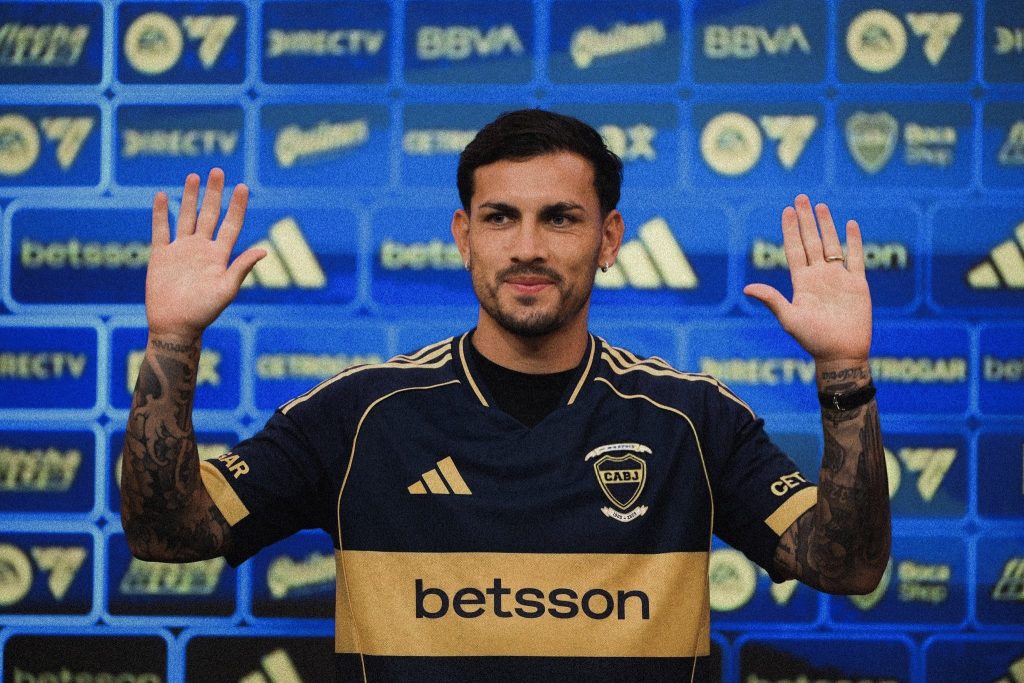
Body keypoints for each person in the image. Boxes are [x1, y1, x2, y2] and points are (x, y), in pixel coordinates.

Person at [121, 109, 890, 681]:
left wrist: (844, 369)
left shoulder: (692, 418)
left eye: (560, 218)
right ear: (464, 235)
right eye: (500, 218)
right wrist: (173, 340)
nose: (527, 247)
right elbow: (168, 534)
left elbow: (847, 565)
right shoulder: (359, 415)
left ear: (609, 238)